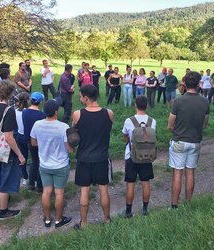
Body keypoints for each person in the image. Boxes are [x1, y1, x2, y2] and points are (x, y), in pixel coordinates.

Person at [72, 85, 113, 229]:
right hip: (101, 157)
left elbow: (73, 134)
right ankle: (107, 219)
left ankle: (83, 223)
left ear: (86, 98)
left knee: (84, 190)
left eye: (80, 96)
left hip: (84, 157)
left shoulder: (78, 114)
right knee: (103, 189)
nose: (80, 98)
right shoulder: (109, 113)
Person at [168, 71, 209, 208]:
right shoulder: (204, 101)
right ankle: (188, 203)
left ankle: (174, 205)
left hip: (179, 140)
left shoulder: (178, 101)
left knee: (177, 173)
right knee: (190, 172)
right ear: (199, 84)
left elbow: (170, 125)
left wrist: (178, 131)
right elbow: (204, 124)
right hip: (195, 140)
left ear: (184, 83)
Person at [0, 80, 25, 220]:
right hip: (6, 149)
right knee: (7, 177)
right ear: (9, 94)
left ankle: (5, 198)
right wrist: (19, 154)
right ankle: (4, 211)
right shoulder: (9, 111)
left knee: (1, 172)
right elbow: (9, 137)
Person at [30, 99, 73, 228]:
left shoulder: (37, 124)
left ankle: (48, 219)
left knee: (46, 192)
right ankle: (59, 220)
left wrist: (44, 143)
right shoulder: (63, 127)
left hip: (44, 165)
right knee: (59, 193)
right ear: (56, 111)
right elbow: (69, 150)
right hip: (61, 165)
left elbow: (33, 143)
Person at [122, 95, 156, 217]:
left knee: (130, 183)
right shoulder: (152, 121)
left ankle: (128, 212)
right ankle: (145, 210)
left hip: (131, 156)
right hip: (147, 156)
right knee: (145, 182)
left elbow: (125, 136)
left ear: (135, 105)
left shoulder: (128, 121)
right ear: (146, 106)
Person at [22, 92, 46, 193]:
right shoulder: (42, 115)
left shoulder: (25, 112)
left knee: (34, 162)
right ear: (40, 102)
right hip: (40, 142)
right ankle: (40, 186)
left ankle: (31, 183)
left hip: (29, 141)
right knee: (41, 163)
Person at [14, 92, 30, 186]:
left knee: (22, 157)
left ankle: (25, 178)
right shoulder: (28, 112)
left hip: (19, 136)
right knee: (35, 157)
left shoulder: (15, 111)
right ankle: (35, 178)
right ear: (28, 101)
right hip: (29, 137)